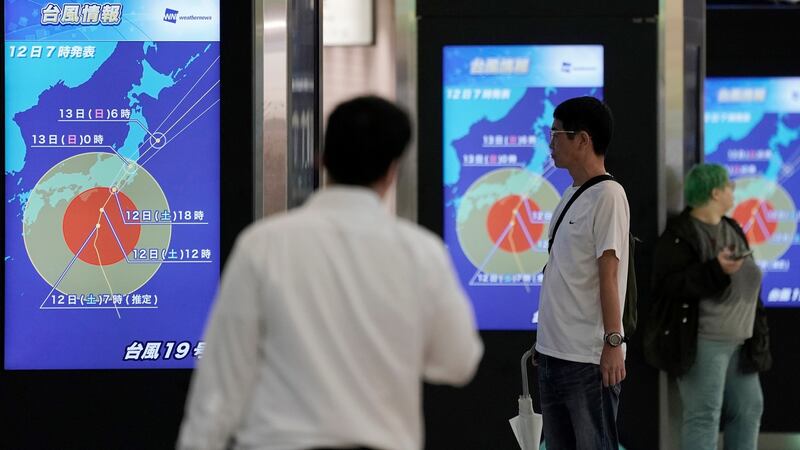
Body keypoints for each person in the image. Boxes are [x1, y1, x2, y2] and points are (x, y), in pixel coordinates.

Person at [176, 96, 483, 450]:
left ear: (321, 159)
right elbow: (458, 361)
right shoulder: (421, 252)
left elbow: (222, 382)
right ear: (392, 170)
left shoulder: (263, 245)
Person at [644, 163, 771, 450]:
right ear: (715, 192)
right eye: (728, 186)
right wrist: (715, 269)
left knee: (749, 409)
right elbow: (670, 286)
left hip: (742, 341)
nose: (732, 191)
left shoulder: (732, 227)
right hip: (704, 342)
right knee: (704, 416)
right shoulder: (680, 235)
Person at [534, 96, 630, 449]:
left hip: (586, 360)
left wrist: (613, 342)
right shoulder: (572, 193)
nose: (551, 142)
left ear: (583, 139)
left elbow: (609, 274)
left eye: (557, 133)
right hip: (553, 354)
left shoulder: (609, 195)